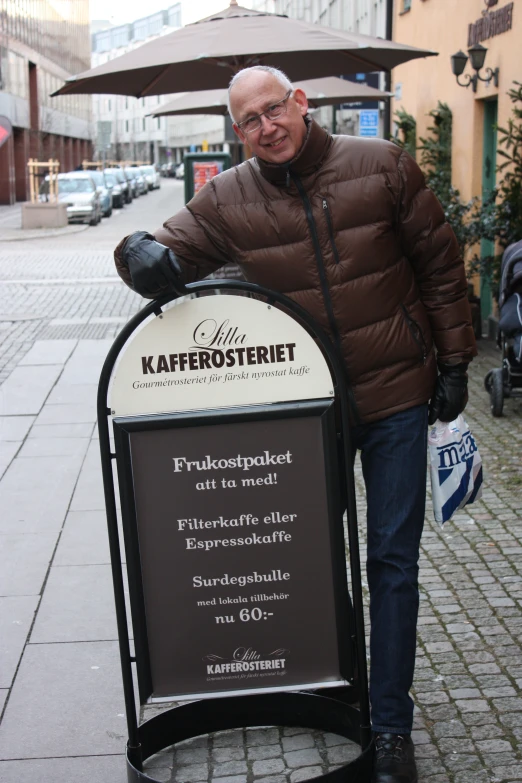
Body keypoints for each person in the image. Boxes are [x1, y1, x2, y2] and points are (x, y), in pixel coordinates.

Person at [114, 65, 476, 783]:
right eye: (248, 120)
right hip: (306, 415)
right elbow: (157, 251)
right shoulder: (226, 200)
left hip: (398, 393)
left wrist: (456, 359)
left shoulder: (382, 166)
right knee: (313, 558)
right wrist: (135, 254)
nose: (266, 127)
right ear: (237, 131)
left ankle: (391, 725)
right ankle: (339, 678)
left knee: (391, 562)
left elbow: (439, 263)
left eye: (274, 109)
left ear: (301, 103)